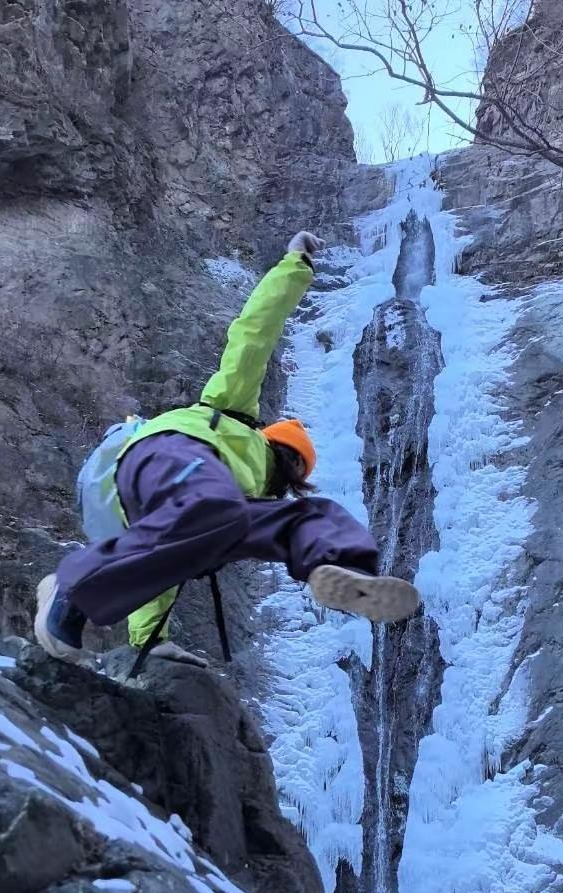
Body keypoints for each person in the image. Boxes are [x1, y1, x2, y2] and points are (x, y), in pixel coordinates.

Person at [34, 230, 420, 665]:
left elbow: (165, 560)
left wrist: (148, 643)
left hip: (187, 504)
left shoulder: (241, 501)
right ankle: (71, 589)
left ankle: (345, 570)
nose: (293, 466)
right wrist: (295, 265)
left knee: (310, 515)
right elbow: (255, 331)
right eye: (293, 458)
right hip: (170, 454)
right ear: (275, 445)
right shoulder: (233, 411)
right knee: (215, 512)